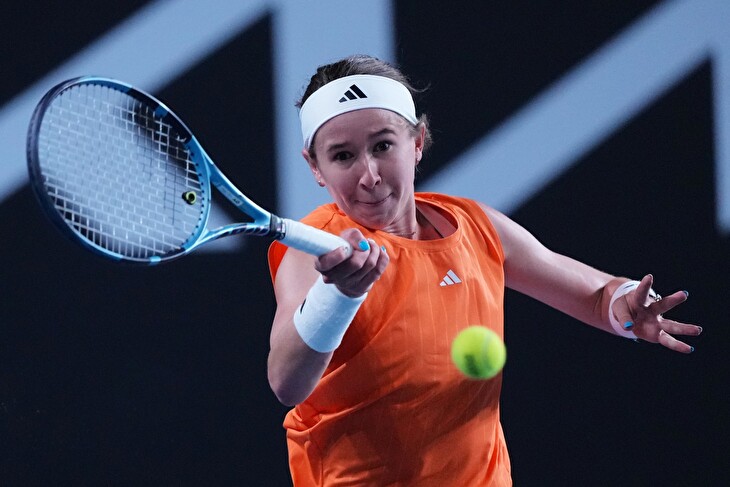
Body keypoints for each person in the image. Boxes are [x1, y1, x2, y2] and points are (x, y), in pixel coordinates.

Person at [266, 54, 702, 486]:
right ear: (315, 168)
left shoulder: (477, 226)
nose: (370, 176)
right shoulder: (315, 248)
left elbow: (598, 295)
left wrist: (628, 306)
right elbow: (286, 383)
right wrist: (338, 293)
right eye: (343, 156)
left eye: (383, 146)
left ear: (417, 143)